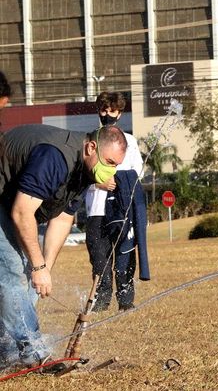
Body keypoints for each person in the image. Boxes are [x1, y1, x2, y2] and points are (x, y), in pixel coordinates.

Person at [0, 124, 127, 371]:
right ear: (91, 147)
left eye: (116, 166)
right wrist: (37, 266)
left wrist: (45, 267)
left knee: (25, 279)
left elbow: (62, 218)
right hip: (5, 203)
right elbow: (21, 212)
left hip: (13, 206)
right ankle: (33, 353)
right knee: (13, 273)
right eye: (109, 162)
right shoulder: (55, 157)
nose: (111, 172)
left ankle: (6, 352)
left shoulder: (85, 170)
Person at [85, 92, 145, 311]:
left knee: (125, 255)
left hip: (121, 210)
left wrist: (119, 180)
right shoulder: (89, 138)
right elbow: (80, 173)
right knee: (100, 259)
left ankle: (126, 301)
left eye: (111, 110)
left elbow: (138, 171)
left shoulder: (129, 141)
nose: (107, 114)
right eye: (103, 109)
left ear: (119, 114)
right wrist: (97, 183)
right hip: (96, 211)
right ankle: (100, 303)